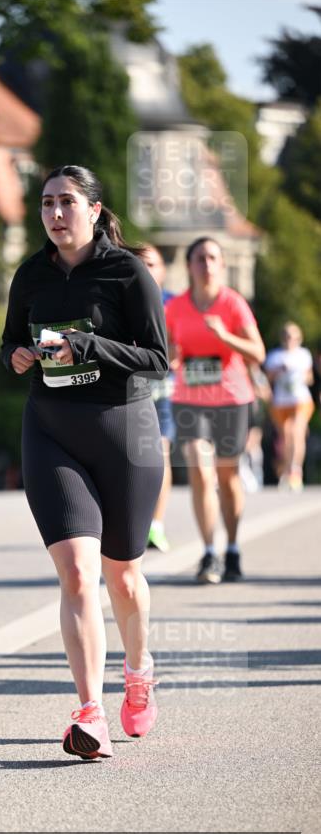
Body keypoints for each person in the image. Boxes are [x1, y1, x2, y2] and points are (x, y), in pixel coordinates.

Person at [1, 164, 168, 760]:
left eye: (66, 202)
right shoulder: (30, 275)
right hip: (51, 431)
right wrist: (17, 355)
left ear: (94, 210)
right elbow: (8, 340)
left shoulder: (126, 272)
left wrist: (91, 345)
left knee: (121, 575)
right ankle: (90, 712)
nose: (55, 214)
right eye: (46, 204)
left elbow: (157, 358)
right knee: (76, 573)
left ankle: (139, 666)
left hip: (123, 434)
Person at [166, 237, 266, 584]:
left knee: (228, 477)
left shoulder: (233, 304)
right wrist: (171, 356)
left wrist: (226, 336)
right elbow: (163, 352)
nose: (206, 264)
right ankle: (209, 553)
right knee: (200, 470)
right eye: (199, 258)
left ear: (221, 264)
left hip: (231, 399)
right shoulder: (176, 307)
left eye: (212, 258)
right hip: (190, 399)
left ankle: (233, 548)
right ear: (189, 264)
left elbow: (258, 353)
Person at [141, 244, 176, 552]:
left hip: (164, 391)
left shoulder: (175, 305)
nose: (147, 270)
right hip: (128, 390)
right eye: (141, 264)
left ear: (163, 270)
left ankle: (156, 525)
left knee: (159, 454)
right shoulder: (122, 300)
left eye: (153, 264)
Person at [264, 322, 315, 491]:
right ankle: (286, 471)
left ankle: (296, 471)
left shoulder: (304, 354)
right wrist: (280, 371)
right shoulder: (274, 356)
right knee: (285, 437)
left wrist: (299, 375)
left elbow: (310, 378)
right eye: (286, 336)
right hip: (281, 402)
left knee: (297, 432)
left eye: (293, 337)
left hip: (300, 400)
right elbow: (268, 380)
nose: (290, 340)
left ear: (299, 339)